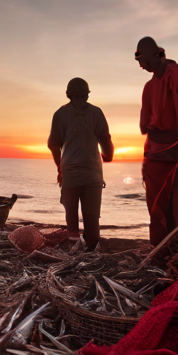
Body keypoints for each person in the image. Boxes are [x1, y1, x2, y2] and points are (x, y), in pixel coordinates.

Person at [136, 37, 178, 246]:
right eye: (137, 59)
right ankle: (161, 257)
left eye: (142, 59)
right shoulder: (149, 87)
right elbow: (143, 126)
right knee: (157, 212)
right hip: (155, 157)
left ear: (155, 55)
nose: (140, 65)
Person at [48, 78, 114, 251]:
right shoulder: (96, 112)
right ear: (86, 94)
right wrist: (108, 155)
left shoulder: (60, 114)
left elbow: (53, 144)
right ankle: (91, 248)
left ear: (69, 95)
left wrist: (60, 167)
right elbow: (105, 139)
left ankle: (74, 246)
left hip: (71, 172)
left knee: (71, 214)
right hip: (92, 173)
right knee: (92, 216)